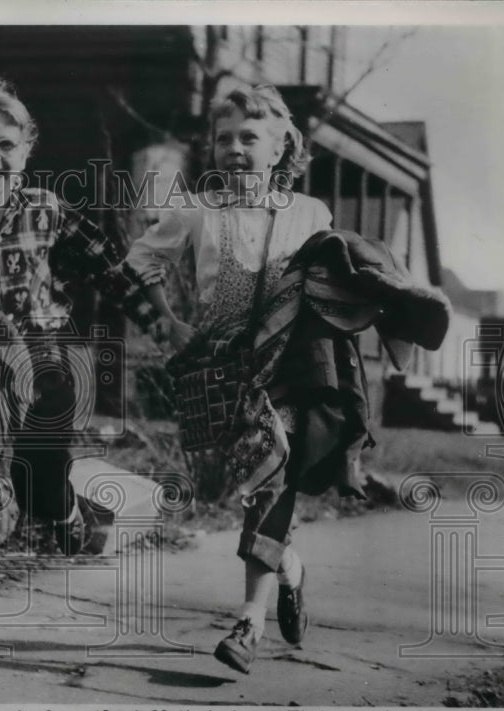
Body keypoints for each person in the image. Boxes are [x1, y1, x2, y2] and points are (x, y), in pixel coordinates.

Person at [0, 76, 161, 649]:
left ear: (26, 151)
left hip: (49, 361)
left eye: (6, 145)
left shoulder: (46, 210)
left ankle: (71, 517)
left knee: (39, 484)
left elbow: (108, 269)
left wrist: (159, 325)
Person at [124, 84, 333, 673]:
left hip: (287, 371)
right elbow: (140, 261)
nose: (235, 149)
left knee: (270, 485)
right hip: (221, 372)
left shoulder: (311, 215)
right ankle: (288, 569)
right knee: (238, 490)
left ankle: (249, 622)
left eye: (249, 138)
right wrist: (169, 323)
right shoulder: (197, 211)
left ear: (281, 147)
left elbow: (335, 287)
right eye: (224, 138)